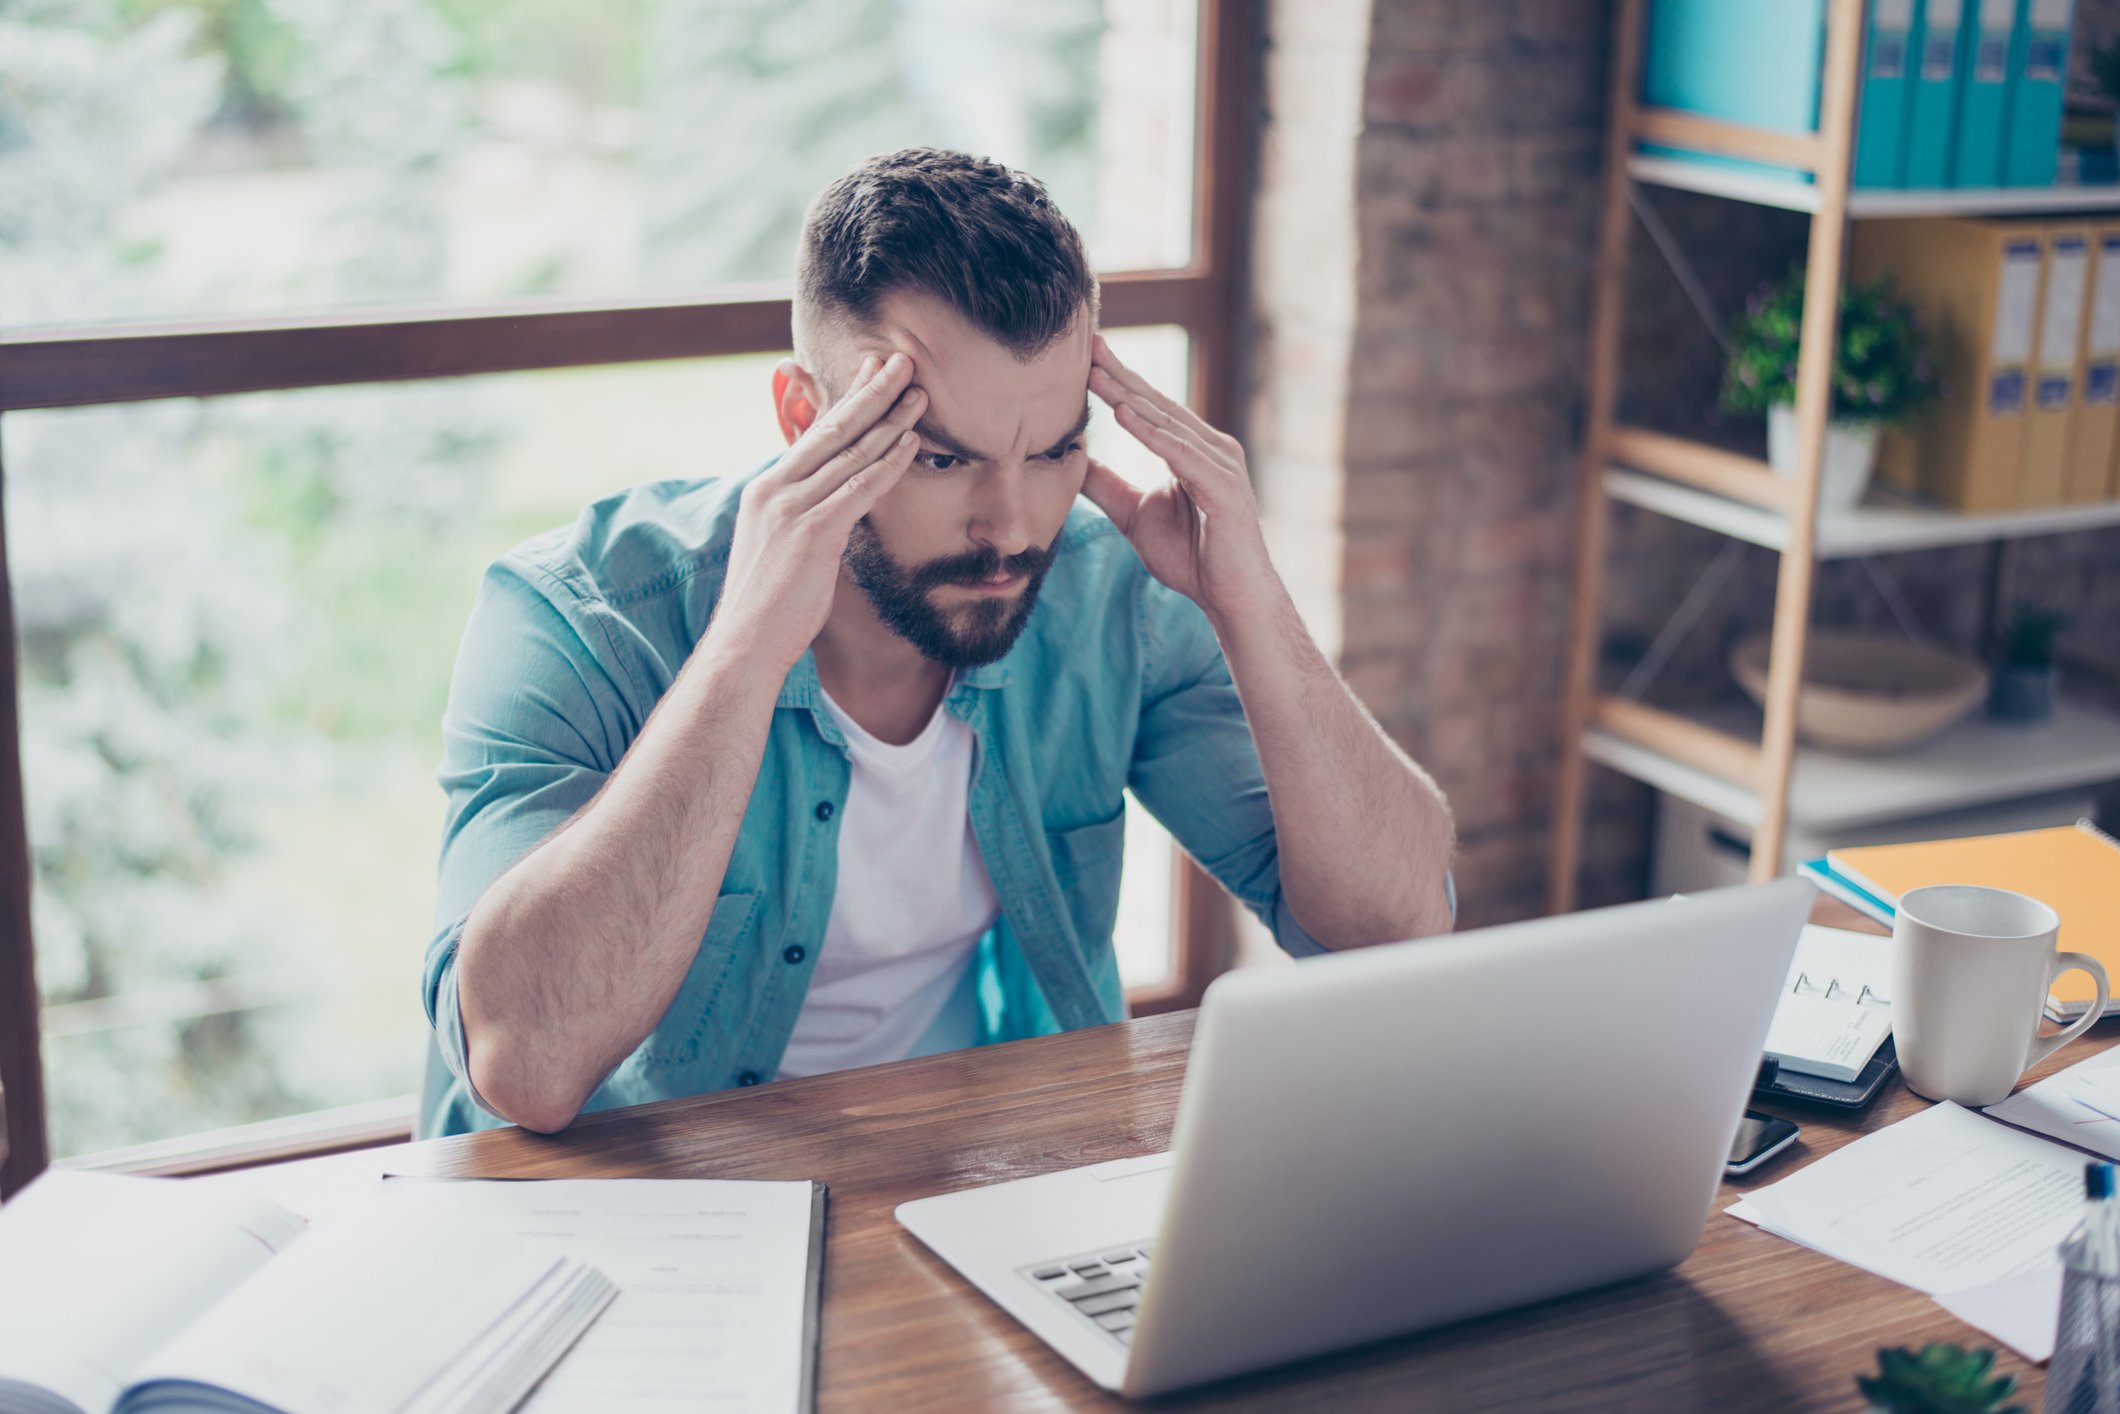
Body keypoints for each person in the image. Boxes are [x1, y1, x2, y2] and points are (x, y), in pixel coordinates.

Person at [418, 148, 1455, 1138]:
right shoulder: (577, 614)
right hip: (657, 1219)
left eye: (1053, 451)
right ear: (803, 416)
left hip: (962, 1173)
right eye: (941, 458)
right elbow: (526, 1065)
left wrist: (1250, 603)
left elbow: (1392, 931)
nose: (1010, 526)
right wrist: (743, 652)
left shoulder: (1105, 595)